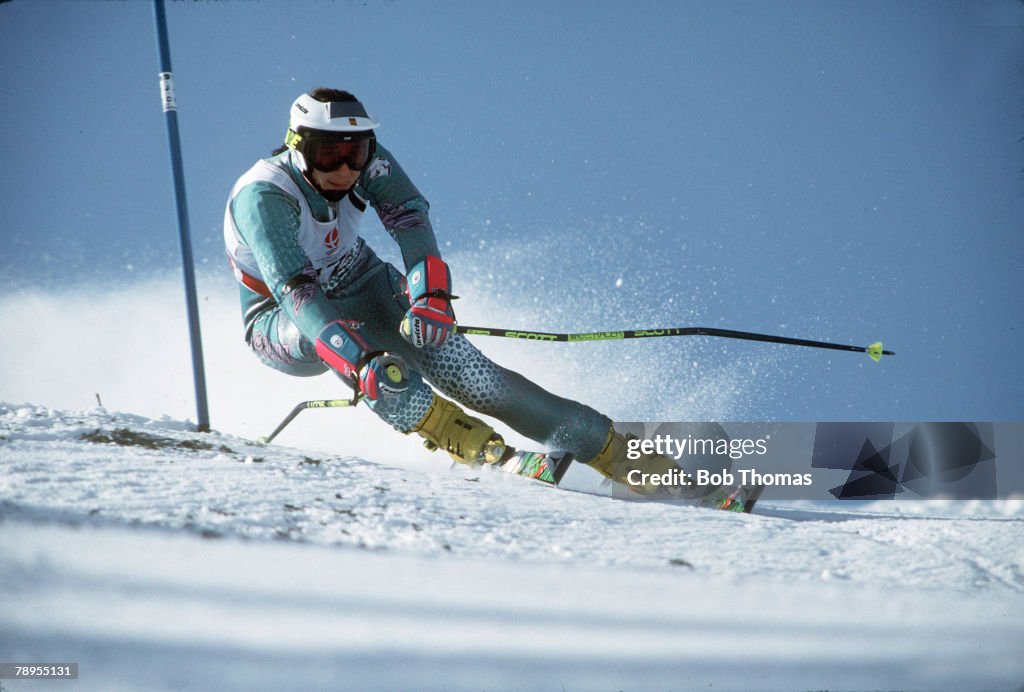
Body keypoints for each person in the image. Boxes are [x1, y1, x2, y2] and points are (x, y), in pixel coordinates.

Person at [223, 87, 695, 497]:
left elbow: (408, 217)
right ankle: (481, 450)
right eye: (329, 155)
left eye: (357, 153)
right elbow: (298, 293)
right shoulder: (265, 197)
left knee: (479, 379)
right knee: (380, 374)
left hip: (362, 281)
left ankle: (639, 465)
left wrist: (430, 297)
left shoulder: (366, 160)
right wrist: (359, 361)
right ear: (298, 145)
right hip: (281, 318)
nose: (346, 168)